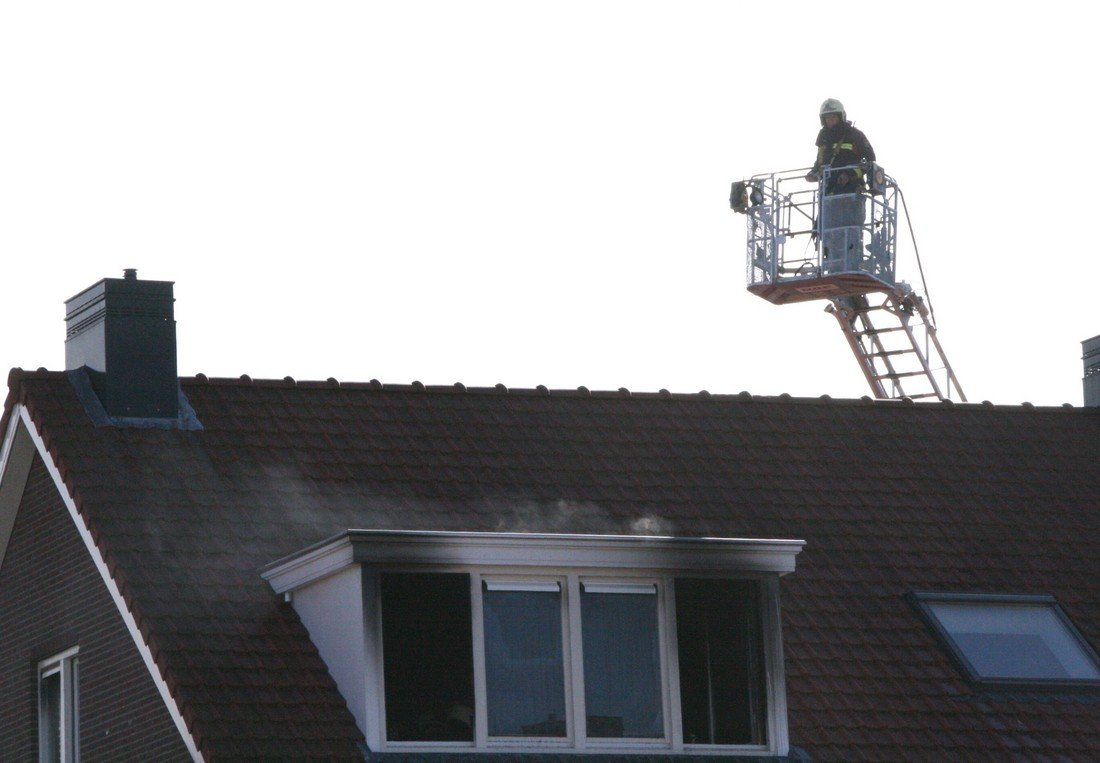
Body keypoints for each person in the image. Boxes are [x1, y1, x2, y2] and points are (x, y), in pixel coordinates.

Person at [805, 99, 875, 195]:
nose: (831, 120)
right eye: (827, 118)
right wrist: (813, 173)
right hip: (827, 191)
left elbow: (870, 161)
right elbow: (820, 162)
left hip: (852, 189)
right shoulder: (824, 138)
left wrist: (850, 175)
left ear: (841, 117)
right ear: (823, 120)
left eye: (833, 117)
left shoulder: (854, 134)